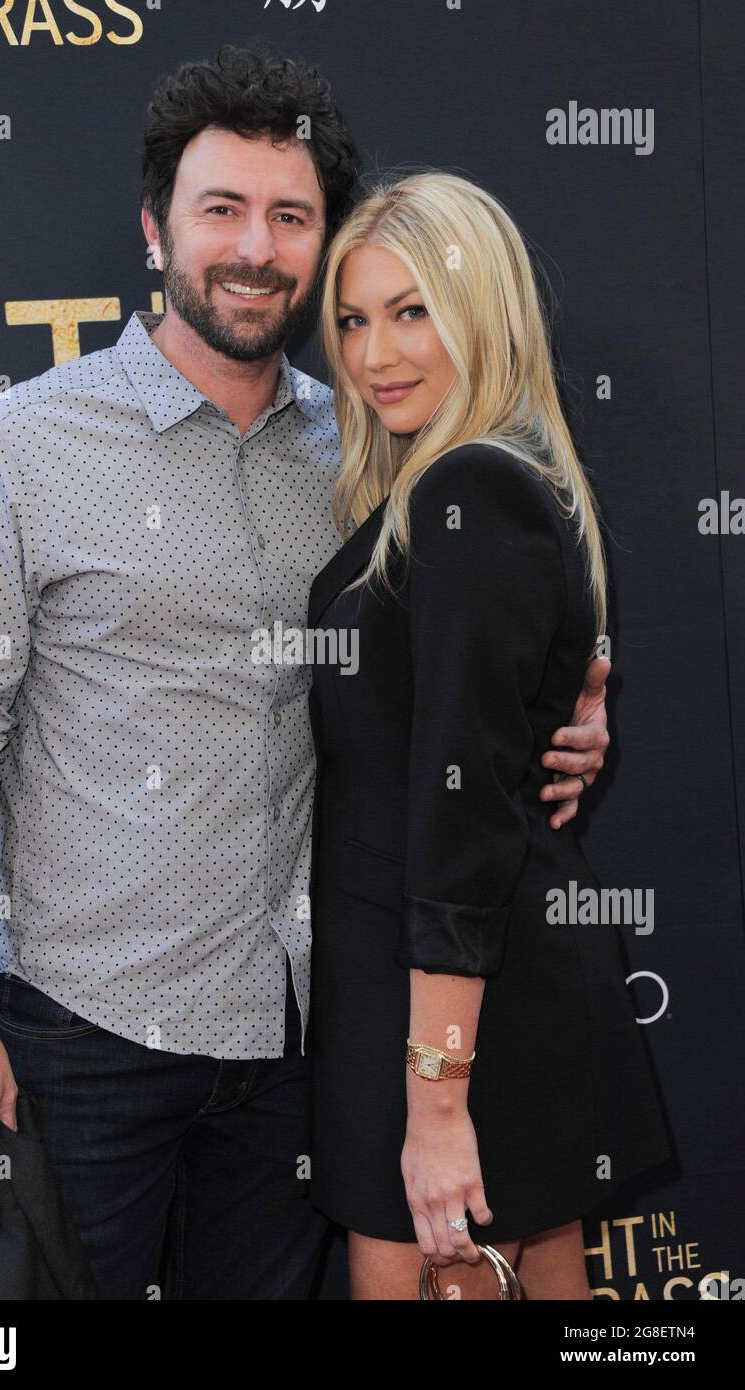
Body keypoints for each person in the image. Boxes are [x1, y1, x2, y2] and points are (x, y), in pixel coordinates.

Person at [0, 47, 610, 1300]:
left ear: (320, 243)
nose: (255, 248)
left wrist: (554, 705)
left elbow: (458, 652)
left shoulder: (372, 443)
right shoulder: (20, 448)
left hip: (303, 1042)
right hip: (84, 1032)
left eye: (289, 217)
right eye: (220, 210)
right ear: (156, 231)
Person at [306, 170, 672, 1301]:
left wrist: (434, 1099)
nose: (374, 356)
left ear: (485, 311)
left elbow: (459, 824)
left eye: (413, 310)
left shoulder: (471, 492)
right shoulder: (441, 484)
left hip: (458, 1016)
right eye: (355, 320)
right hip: (429, 1002)